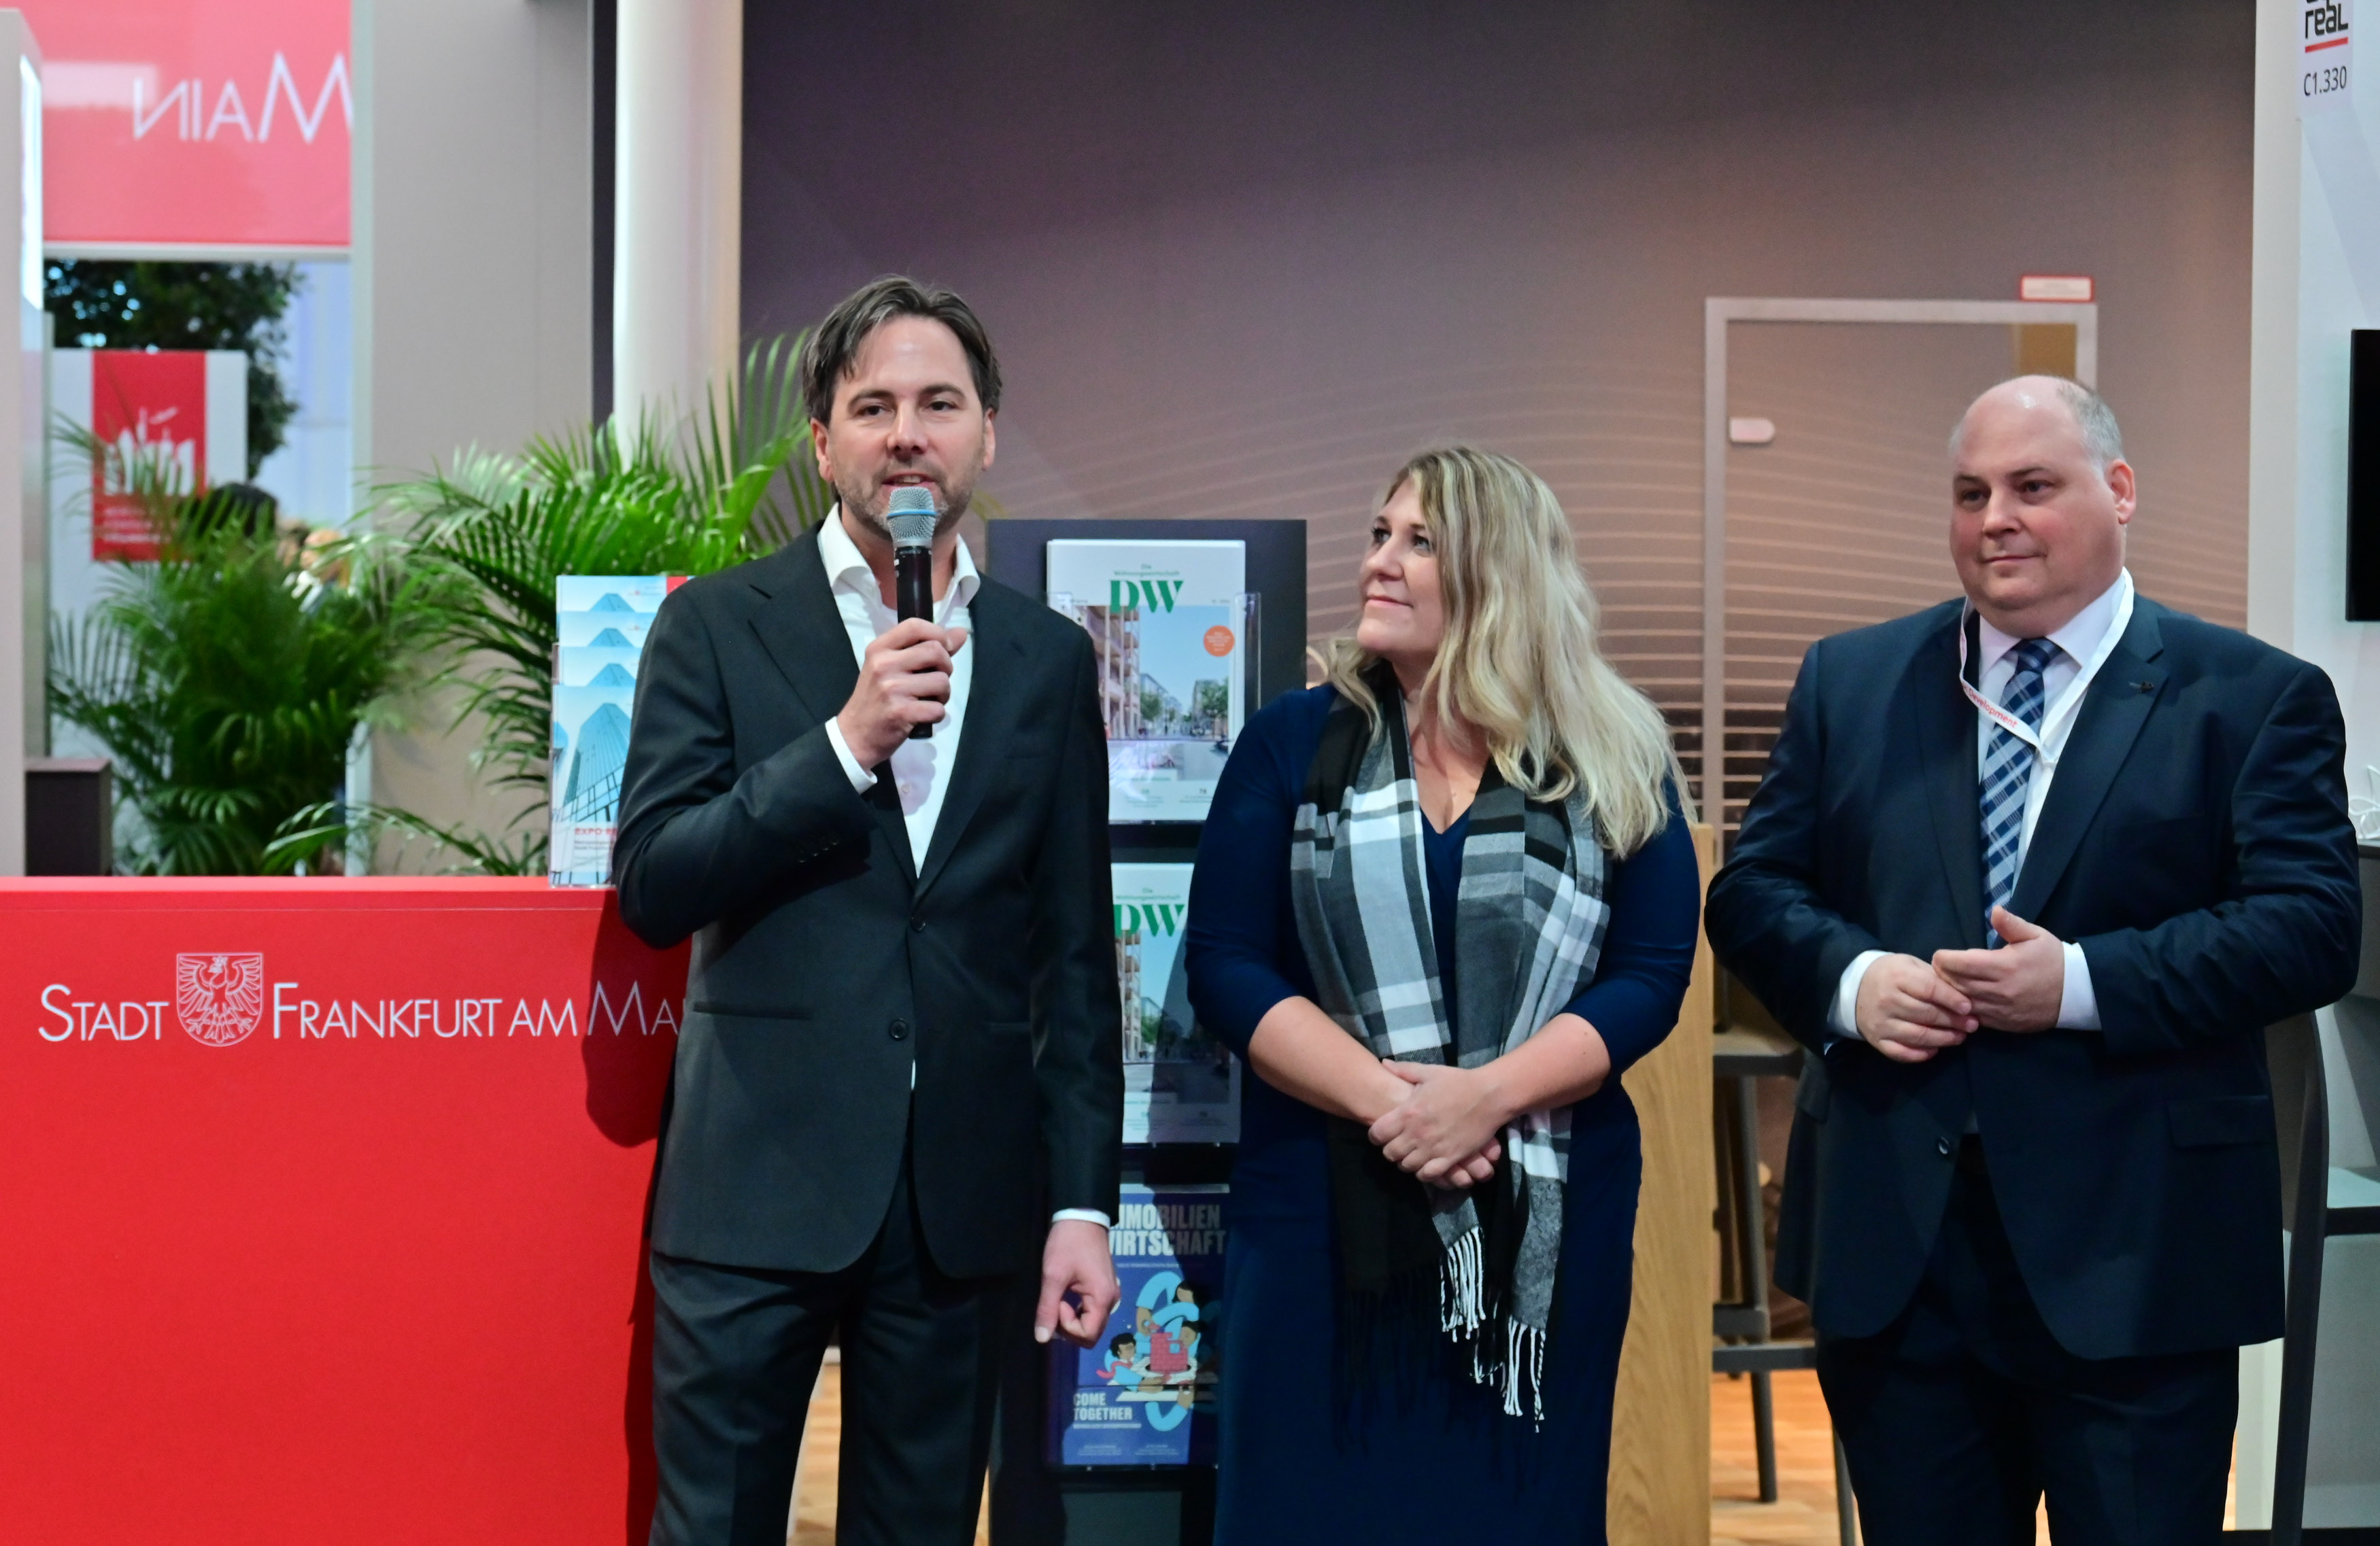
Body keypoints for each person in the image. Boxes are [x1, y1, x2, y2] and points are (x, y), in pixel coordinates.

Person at [1704, 377, 2362, 1546]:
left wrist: (2083, 985)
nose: (1995, 518)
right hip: (1900, 1260)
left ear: (2121, 491)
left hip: (2137, 1258)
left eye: (2031, 486)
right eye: (1971, 494)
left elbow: (2310, 927)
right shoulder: (1852, 681)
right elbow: (1752, 892)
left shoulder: (2253, 698)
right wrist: (1855, 984)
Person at [613, 275, 1123, 1546]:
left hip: (960, 1205)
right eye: (874, 406)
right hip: (755, 1190)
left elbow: (1071, 958)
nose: (908, 434)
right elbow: (658, 883)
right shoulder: (715, 624)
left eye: (939, 403)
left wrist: (1081, 1203)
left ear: (987, 433)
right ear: (821, 439)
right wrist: (843, 745)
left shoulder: (1047, 658)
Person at [1185, 446, 1701, 1543]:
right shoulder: (1292, 739)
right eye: (1380, 534)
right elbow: (1226, 962)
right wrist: (1401, 1105)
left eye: (1420, 542)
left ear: (1498, 574)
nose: (1380, 561)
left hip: (1543, 1210)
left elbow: (1652, 976)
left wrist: (1488, 1098)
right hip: (1319, 1199)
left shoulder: (1615, 749)